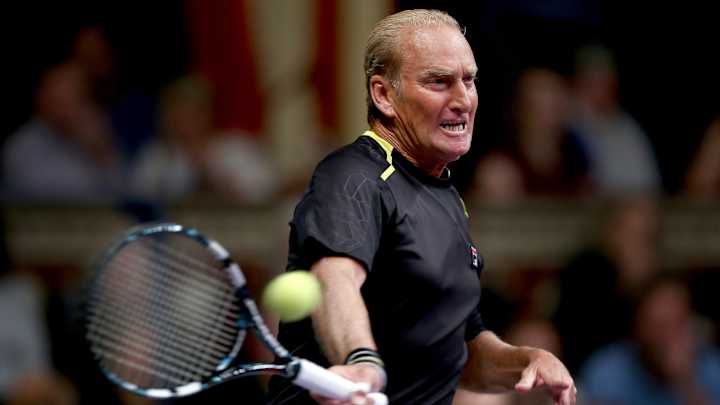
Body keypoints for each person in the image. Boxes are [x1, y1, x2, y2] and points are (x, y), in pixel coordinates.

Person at [265, 9, 575, 405]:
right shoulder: (352, 176)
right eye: (438, 82)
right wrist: (360, 360)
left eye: (469, 80)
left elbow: (461, 352)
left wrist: (527, 360)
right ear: (384, 95)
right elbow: (334, 278)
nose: (463, 100)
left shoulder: (447, 196)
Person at [579, 277, 720, 404]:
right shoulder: (607, 371)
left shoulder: (712, 367)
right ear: (638, 328)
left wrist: (685, 381)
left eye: (678, 323)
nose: (668, 336)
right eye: (660, 326)